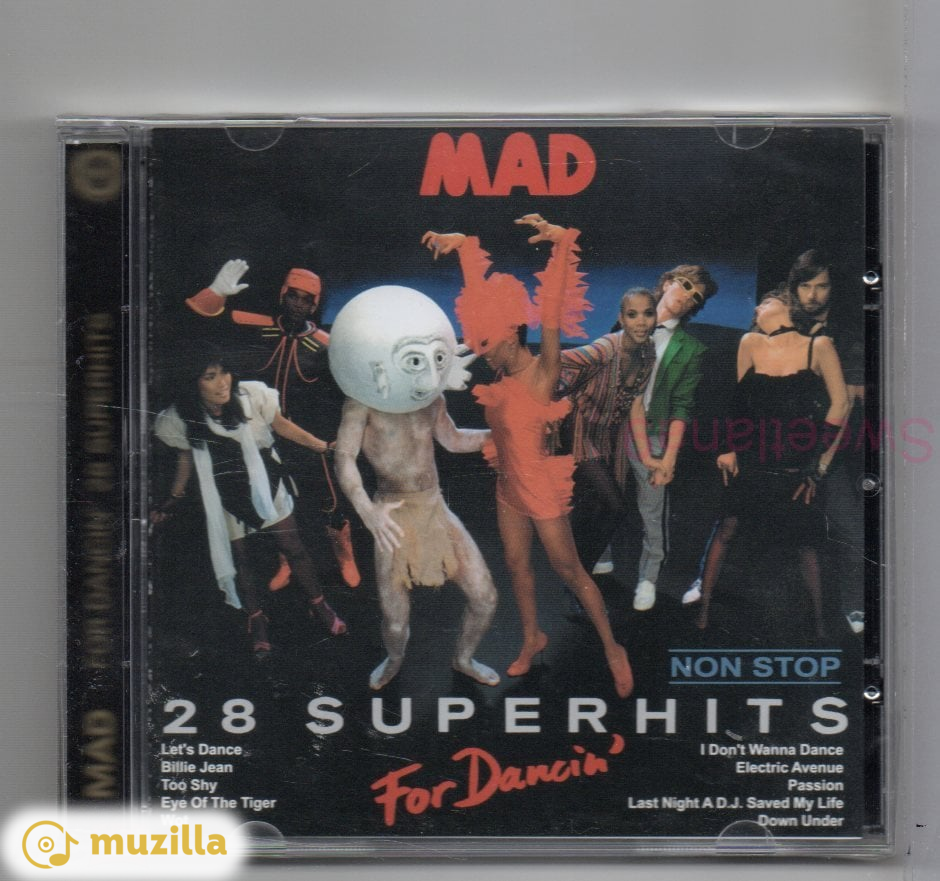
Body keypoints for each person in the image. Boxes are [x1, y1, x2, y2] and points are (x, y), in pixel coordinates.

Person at [424, 215, 634, 699]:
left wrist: (562, 245)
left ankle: (612, 648)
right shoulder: (500, 376)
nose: (482, 353)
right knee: (517, 566)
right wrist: (465, 248)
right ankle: (531, 637)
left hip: (540, 487)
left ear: (512, 335)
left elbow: (553, 309)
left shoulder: (544, 372)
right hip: (507, 488)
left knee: (569, 570)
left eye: (487, 344)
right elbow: (480, 301)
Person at [330, 285, 499, 691]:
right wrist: (368, 512)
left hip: (434, 508)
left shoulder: (431, 397)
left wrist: (504, 436)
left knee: (485, 597)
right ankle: (394, 659)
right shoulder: (362, 401)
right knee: (395, 620)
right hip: (391, 514)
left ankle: (463, 659)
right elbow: (344, 458)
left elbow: (453, 440)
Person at [151, 344, 347, 659]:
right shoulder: (180, 417)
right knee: (241, 560)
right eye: (210, 377)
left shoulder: (252, 396)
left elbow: (280, 425)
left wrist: (322, 447)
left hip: (267, 481)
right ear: (193, 383)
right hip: (224, 493)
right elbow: (186, 458)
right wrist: (173, 498)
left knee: (293, 547)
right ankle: (256, 618)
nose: (222, 383)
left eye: (224, 373)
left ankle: (319, 604)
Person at [185, 261, 361, 588]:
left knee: (330, 499)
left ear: (315, 304)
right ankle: (286, 560)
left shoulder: (328, 344)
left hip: (306, 433)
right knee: (272, 500)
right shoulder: (253, 324)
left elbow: (355, 385)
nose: (298, 304)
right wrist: (217, 292)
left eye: (307, 299)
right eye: (293, 295)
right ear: (282, 294)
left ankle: (344, 555)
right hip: (258, 434)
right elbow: (199, 319)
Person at [694, 292, 850, 636]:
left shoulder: (818, 345)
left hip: (797, 461)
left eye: (765, 302)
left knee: (805, 543)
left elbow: (840, 404)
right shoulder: (750, 342)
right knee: (727, 529)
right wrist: (728, 447)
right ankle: (703, 609)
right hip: (752, 458)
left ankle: (821, 625)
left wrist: (817, 463)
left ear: (787, 306)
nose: (756, 308)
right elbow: (738, 403)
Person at [624, 264, 718, 612]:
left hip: (653, 431)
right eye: (685, 285)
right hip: (606, 427)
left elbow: (682, 406)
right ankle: (597, 557)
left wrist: (669, 457)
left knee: (652, 510)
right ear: (666, 283)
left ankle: (648, 578)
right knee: (599, 498)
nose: (687, 297)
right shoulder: (627, 321)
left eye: (696, 297)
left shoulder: (691, 349)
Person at [788, 250, 866, 634]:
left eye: (821, 286)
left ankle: (855, 603)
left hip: (827, 448)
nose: (813, 294)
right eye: (806, 285)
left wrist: (821, 463)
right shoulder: (781, 325)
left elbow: (846, 405)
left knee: (850, 529)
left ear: (832, 289)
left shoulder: (847, 337)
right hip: (781, 445)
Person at [556, 289, 660, 577]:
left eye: (648, 314)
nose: (641, 322)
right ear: (621, 319)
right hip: (579, 430)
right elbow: (553, 362)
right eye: (632, 315)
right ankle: (579, 575)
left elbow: (636, 406)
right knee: (615, 506)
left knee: (595, 507)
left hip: (608, 435)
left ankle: (577, 574)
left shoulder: (648, 352)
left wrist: (647, 458)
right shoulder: (604, 349)